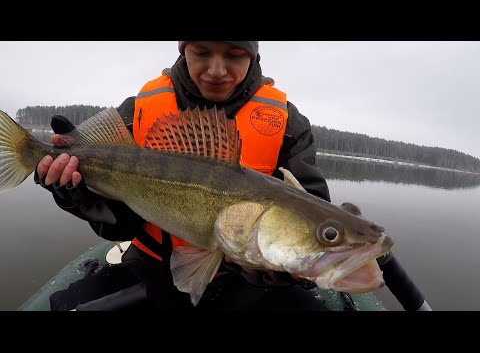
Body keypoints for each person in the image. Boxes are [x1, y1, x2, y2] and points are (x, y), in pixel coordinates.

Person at [35, 41, 333, 311]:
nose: (216, 70)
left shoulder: (288, 123)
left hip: (249, 283)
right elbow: (120, 228)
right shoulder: (137, 110)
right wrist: (76, 194)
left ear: (254, 55)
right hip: (149, 266)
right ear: (183, 50)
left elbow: (312, 215)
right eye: (202, 52)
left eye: (234, 54)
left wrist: (277, 268)